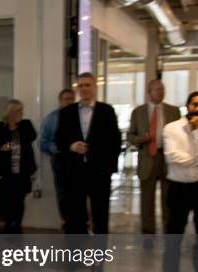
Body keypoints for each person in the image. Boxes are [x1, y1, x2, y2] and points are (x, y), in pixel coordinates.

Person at [55, 72, 122, 234]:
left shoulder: (107, 110)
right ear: (77, 88)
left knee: (100, 215)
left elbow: (115, 141)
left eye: (88, 85)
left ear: (94, 87)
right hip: (74, 172)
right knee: (75, 215)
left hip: (99, 172)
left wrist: (109, 169)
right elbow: (59, 138)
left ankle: (99, 255)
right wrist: (71, 146)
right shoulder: (67, 112)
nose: (84, 88)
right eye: (81, 85)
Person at [163, 91, 198, 272]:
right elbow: (173, 157)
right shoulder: (171, 128)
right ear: (187, 104)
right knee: (173, 236)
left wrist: (197, 132)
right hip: (179, 187)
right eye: (195, 104)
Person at [128, 79, 181, 241]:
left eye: (162, 89)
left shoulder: (174, 111)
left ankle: (168, 231)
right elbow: (130, 136)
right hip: (147, 158)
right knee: (147, 199)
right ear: (149, 92)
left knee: (168, 198)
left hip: (167, 159)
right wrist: (142, 138)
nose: (161, 92)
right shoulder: (138, 112)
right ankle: (148, 233)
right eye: (157, 89)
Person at [0, 99, 37, 233]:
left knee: (19, 200)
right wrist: (1, 147)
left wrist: (17, 126)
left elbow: (32, 137)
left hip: (22, 171)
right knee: (7, 200)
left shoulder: (26, 124)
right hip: (6, 171)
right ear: (10, 112)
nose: (21, 113)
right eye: (18, 110)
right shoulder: (0, 126)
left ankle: (16, 227)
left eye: (21, 110)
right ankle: (7, 225)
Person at [39, 88, 75, 230]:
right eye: (66, 99)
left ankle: (79, 221)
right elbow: (43, 142)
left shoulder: (80, 116)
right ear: (60, 101)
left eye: (72, 98)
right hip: (60, 159)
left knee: (78, 191)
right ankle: (66, 221)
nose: (70, 101)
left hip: (77, 158)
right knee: (63, 191)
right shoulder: (52, 118)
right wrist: (56, 150)